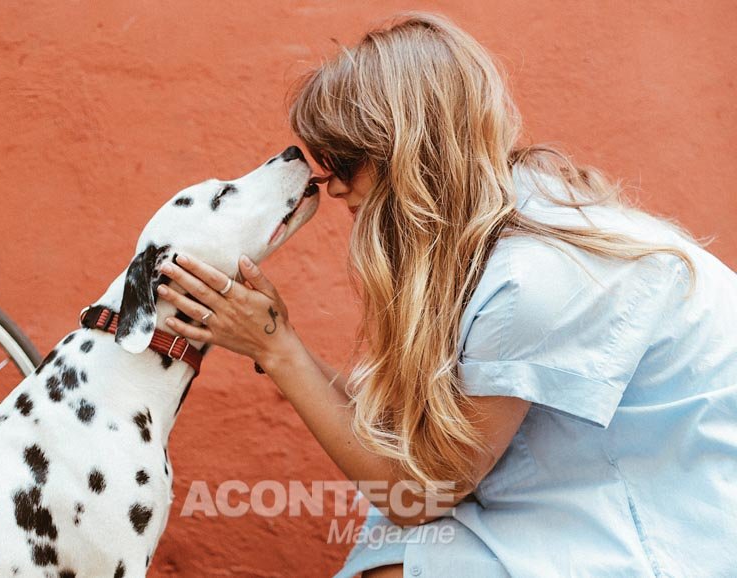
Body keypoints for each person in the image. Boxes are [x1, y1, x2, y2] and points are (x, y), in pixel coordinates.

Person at [155, 11, 737, 578]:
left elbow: (418, 494)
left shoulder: (531, 280)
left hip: (671, 511)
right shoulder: (497, 221)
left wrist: (277, 350)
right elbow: (403, 438)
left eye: (345, 161)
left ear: (407, 153)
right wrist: (275, 338)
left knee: (400, 551)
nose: (328, 185)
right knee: (392, 549)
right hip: (576, 480)